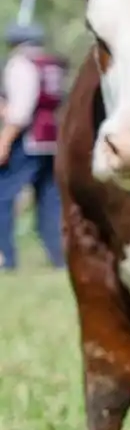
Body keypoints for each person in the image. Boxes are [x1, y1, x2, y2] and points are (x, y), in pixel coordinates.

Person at [0, 22, 67, 271]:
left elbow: (20, 112)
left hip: (28, 139)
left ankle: (5, 257)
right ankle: (59, 255)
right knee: (50, 199)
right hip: (51, 139)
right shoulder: (50, 64)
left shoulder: (21, 65)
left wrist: (4, 141)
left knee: (3, 196)